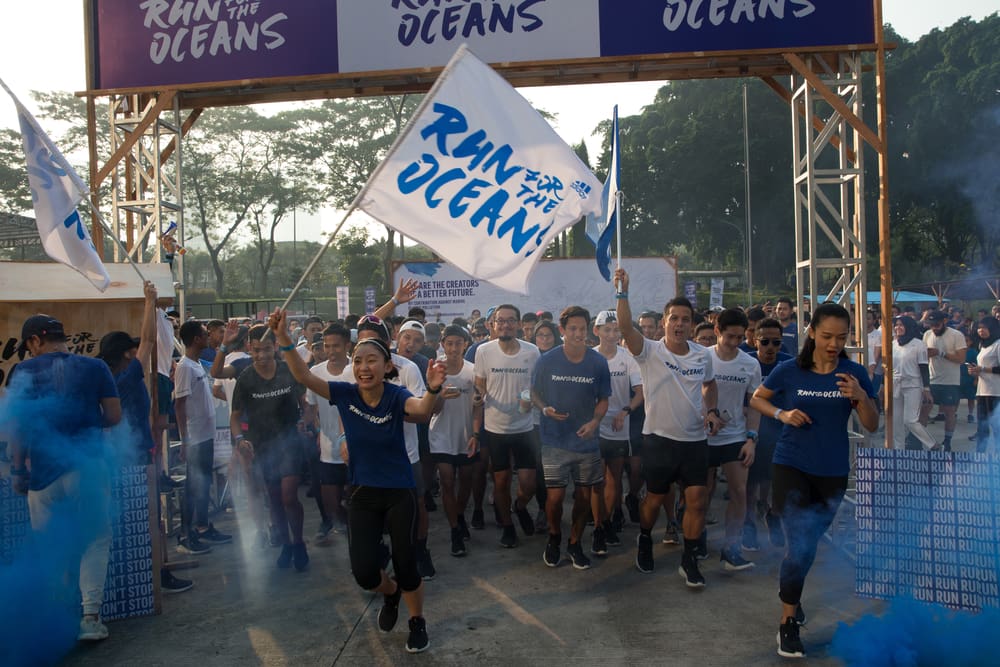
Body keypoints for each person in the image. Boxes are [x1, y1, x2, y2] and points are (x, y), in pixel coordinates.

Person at [268, 308, 445, 654]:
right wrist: (284, 339)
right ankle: (390, 593)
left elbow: (422, 412)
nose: (364, 367)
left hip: (398, 492)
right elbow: (304, 376)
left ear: (387, 367)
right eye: (359, 361)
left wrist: (434, 389)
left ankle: (416, 620)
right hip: (364, 491)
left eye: (372, 361)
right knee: (365, 573)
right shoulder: (345, 393)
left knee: (407, 565)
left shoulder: (396, 396)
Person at [749, 303, 878, 659]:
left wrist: (861, 397)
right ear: (811, 333)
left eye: (841, 337)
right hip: (791, 465)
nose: (834, 343)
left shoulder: (853, 373)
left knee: (809, 544)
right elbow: (758, 398)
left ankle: (792, 590)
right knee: (799, 544)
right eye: (826, 336)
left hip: (833, 471)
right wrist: (782, 413)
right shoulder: (790, 370)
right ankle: (788, 622)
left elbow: (872, 424)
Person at [5, 314, 122, 641]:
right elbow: (114, 415)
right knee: (95, 537)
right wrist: (84, 423)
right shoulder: (95, 368)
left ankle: (59, 619)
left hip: (43, 476)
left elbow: (16, 428)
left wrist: (17, 470)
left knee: (50, 544)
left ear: (34, 342)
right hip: (87, 467)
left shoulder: (23, 372)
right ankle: (90, 617)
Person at [614, 268, 723, 587]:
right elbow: (624, 326)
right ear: (664, 322)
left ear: (692, 324)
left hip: (694, 441)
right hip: (658, 440)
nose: (679, 324)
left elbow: (710, 385)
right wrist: (622, 292)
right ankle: (645, 538)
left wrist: (712, 410)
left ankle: (689, 559)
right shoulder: (649, 351)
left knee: (698, 500)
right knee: (653, 501)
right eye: (673, 318)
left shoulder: (703, 355)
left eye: (685, 319)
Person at [98, 282, 194, 594]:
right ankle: (156, 575)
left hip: (119, 459)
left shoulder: (107, 380)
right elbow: (150, 341)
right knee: (149, 520)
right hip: (136, 459)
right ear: (126, 353)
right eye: (132, 347)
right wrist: (149, 302)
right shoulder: (126, 378)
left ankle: (141, 579)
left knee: (133, 520)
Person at [532, 306, 612, 569]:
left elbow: (603, 400)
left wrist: (595, 421)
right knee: (554, 499)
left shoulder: (598, 362)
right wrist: (545, 409)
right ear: (562, 330)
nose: (579, 333)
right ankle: (554, 536)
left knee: (583, 497)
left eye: (583, 328)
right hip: (554, 440)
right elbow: (533, 394)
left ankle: (575, 543)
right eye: (573, 329)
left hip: (586, 441)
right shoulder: (547, 361)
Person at [230, 324, 309, 571]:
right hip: (262, 445)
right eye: (256, 351)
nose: (262, 355)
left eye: (266, 349)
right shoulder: (245, 379)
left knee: (288, 496)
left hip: (289, 442)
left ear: (276, 347)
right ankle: (285, 544)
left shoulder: (288, 370)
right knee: (274, 499)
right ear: (248, 349)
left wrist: (304, 421)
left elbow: (305, 404)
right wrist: (239, 440)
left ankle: (299, 542)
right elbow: (235, 417)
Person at [474, 304, 541, 548]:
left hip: (525, 427)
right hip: (496, 428)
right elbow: (480, 385)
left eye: (510, 320)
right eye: (500, 320)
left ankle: (519, 506)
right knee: (501, 483)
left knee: (528, 484)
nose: (505, 324)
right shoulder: (484, 351)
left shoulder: (532, 352)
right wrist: (477, 397)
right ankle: (508, 526)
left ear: (519, 324)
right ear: (492, 324)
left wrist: (529, 400)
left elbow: (534, 387)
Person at [705, 308, 761, 571]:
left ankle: (731, 549)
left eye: (740, 337)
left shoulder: (750, 364)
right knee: (701, 495)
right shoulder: (702, 358)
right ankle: (696, 544)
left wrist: (751, 438)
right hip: (702, 437)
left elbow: (754, 405)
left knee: (739, 493)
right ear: (717, 331)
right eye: (730, 337)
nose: (735, 342)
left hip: (735, 436)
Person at [174, 320, 233, 554]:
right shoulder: (185, 367)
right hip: (196, 438)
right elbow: (179, 406)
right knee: (193, 486)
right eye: (204, 334)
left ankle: (202, 527)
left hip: (206, 435)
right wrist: (185, 440)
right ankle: (185, 536)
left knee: (203, 484)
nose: (208, 336)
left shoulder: (196, 364)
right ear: (197, 339)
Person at [592, 310, 643, 538]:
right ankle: (599, 526)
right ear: (597, 331)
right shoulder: (589, 357)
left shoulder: (628, 358)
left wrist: (626, 410)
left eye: (616, 330)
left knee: (614, 478)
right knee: (597, 480)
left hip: (618, 427)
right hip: (594, 427)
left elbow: (640, 392)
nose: (612, 335)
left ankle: (610, 518)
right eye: (607, 330)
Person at [428, 325, 478, 557]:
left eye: (458, 343)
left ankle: (458, 514)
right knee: (447, 481)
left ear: (465, 345)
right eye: (449, 343)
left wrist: (476, 434)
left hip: (465, 435)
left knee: (466, 481)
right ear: (442, 344)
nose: (454, 348)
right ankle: (455, 530)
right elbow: (430, 408)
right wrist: (439, 397)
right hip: (440, 436)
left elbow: (479, 406)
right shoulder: (437, 370)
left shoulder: (473, 371)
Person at [744, 318, 793, 551]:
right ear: (755, 341)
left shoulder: (789, 365)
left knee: (780, 484)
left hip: (781, 434)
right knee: (750, 484)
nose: (771, 347)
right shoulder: (746, 363)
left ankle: (773, 515)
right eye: (765, 342)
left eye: (776, 342)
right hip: (751, 433)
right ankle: (749, 524)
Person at [305, 323, 353, 543]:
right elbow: (311, 407)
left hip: (356, 447)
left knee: (356, 497)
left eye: (336, 346)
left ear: (347, 346)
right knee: (330, 500)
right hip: (327, 445)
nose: (331, 351)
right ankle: (339, 522)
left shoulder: (357, 370)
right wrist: (314, 429)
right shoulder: (315, 372)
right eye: (327, 346)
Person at [529, 319, 563, 532]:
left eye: (548, 335)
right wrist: (526, 400)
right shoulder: (529, 357)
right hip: (534, 421)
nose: (544, 339)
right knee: (541, 470)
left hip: (561, 420)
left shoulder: (563, 356)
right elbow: (523, 388)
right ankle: (543, 508)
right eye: (540, 335)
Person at [921, 309, 967, 452]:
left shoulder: (956, 335)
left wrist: (940, 353)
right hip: (932, 379)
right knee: (924, 410)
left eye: (937, 324)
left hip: (950, 381)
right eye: (931, 324)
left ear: (944, 322)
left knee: (949, 412)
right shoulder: (927, 335)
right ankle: (922, 439)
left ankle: (947, 441)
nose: (934, 327)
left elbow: (961, 359)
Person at [890, 316, 936, 451]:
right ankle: (899, 451)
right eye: (896, 325)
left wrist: (926, 389)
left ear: (909, 327)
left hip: (913, 385)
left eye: (901, 325)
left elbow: (924, 368)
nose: (898, 328)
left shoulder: (918, 344)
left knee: (910, 420)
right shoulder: (893, 344)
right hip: (896, 384)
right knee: (896, 422)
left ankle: (933, 445)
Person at [968, 316, 1000, 453]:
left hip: (996, 392)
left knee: (997, 427)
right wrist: (975, 372)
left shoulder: (998, 344)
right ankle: (980, 456)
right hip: (982, 391)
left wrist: (982, 369)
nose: (981, 331)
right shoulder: (982, 345)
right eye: (979, 328)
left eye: (985, 328)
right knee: (982, 426)